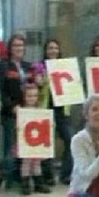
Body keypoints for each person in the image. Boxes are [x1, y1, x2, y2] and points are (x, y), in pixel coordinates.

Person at [32, 39, 74, 186]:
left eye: (55, 48)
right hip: (46, 108)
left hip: (62, 108)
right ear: (45, 50)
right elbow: (38, 83)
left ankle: (66, 173)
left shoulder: (65, 66)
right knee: (46, 143)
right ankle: (47, 175)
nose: (53, 51)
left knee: (70, 139)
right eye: (50, 48)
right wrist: (46, 75)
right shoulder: (39, 66)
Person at [0, 34, 34, 190]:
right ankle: (3, 177)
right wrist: (11, 106)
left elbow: (32, 88)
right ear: (10, 48)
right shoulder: (3, 66)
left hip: (28, 113)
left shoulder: (28, 66)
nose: (18, 48)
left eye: (21, 45)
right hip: (10, 113)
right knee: (10, 147)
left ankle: (18, 178)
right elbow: (0, 90)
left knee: (23, 147)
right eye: (15, 45)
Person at [17, 83, 50, 195]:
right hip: (26, 140)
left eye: (35, 96)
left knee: (36, 162)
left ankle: (38, 183)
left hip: (37, 141)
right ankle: (25, 183)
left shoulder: (40, 110)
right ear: (24, 97)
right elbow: (18, 126)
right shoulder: (21, 110)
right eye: (29, 96)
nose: (32, 98)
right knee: (26, 162)